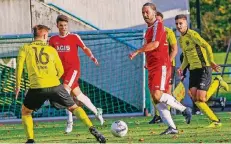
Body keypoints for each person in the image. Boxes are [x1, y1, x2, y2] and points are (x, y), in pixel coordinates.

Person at [15, 25, 106, 143]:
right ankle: (92, 129)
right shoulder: (51, 50)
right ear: (43, 35)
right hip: (55, 85)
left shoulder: (25, 48)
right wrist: (54, 81)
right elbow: (61, 70)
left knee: (26, 112)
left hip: (37, 87)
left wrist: (18, 86)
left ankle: (30, 140)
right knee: (74, 107)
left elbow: (19, 67)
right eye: (47, 35)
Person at [129, 2, 192, 135]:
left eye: (147, 12)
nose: (145, 15)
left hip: (161, 65)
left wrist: (137, 51)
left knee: (158, 94)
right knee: (155, 98)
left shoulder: (158, 24)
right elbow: (150, 49)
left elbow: (155, 44)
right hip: (153, 66)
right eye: (143, 12)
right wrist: (147, 62)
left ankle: (184, 109)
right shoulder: (149, 29)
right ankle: (172, 127)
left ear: (154, 12)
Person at [49, 15, 104, 133]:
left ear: (67, 25)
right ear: (57, 26)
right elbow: (50, 55)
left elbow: (84, 48)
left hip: (73, 69)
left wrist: (92, 57)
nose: (63, 27)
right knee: (79, 96)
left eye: (65, 25)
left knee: (65, 92)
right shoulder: (53, 40)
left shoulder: (74, 37)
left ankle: (69, 122)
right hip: (61, 72)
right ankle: (96, 111)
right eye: (61, 25)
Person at [175, 14, 229, 127]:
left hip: (203, 68)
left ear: (186, 24)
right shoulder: (181, 39)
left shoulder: (193, 35)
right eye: (177, 24)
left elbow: (207, 46)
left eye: (181, 23)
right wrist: (181, 68)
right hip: (193, 71)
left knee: (201, 98)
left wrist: (212, 61)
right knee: (196, 99)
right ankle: (215, 121)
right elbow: (185, 57)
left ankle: (217, 81)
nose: (179, 26)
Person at [149, 11, 180, 124]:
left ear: (162, 21)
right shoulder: (151, 32)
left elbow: (174, 50)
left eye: (159, 20)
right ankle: (158, 115)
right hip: (154, 66)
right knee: (154, 92)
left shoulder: (168, 31)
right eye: (155, 20)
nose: (157, 22)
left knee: (166, 91)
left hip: (167, 66)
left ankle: (168, 115)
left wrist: (167, 63)